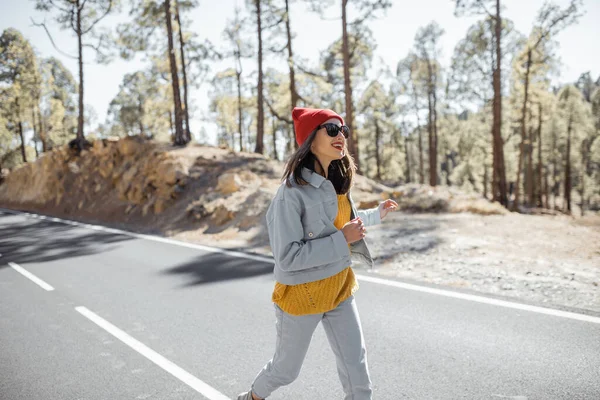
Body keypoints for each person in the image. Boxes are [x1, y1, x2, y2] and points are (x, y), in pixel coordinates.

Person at [237, 107, 398, 400]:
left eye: (343, 130)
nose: (341, 136)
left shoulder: (336, 184)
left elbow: (345, 220)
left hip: (339, 289)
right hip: (303, 296)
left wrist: (376, 214)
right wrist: (342, 239)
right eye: (332, 130)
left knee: (357, 373)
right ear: (311, 140)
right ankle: (251, 397)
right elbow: (288, 257)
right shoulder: (290, 194)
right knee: (285, 371)